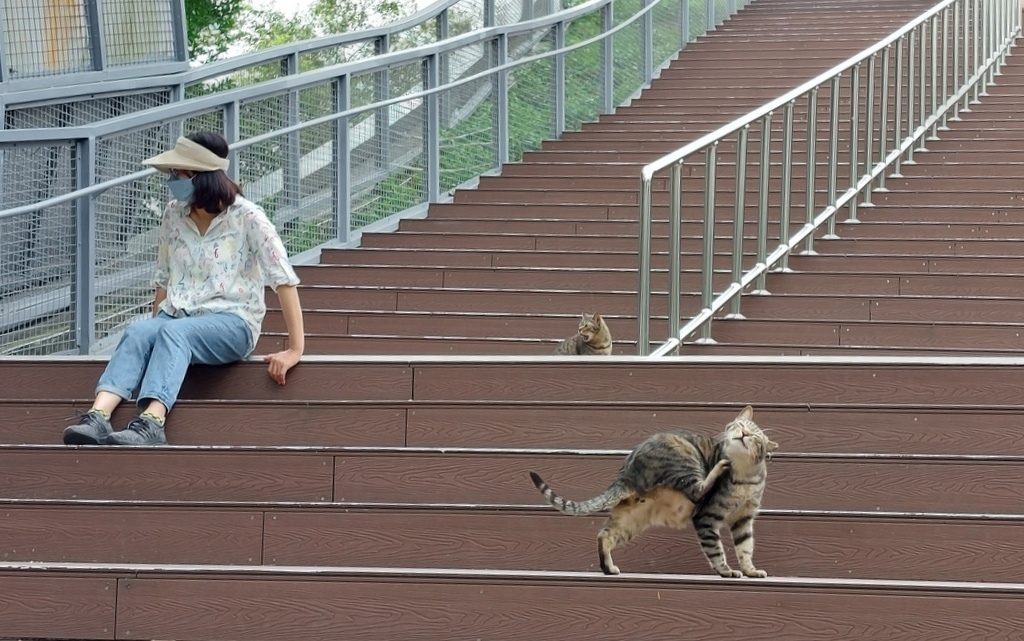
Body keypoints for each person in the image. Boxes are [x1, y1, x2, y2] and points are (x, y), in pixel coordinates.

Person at [62, 131, 305, 446]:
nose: (172, 179)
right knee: (139, 332)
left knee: (174, 333)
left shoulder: (248, 217)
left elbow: (283, 278)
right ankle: (98, 418)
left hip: (233, 321)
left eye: (178, 173)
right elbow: (163, 277)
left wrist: (295, 349)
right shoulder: (173, 214)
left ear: (201, 177)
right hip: (177, 316)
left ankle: (151, 423)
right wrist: (153, 335)